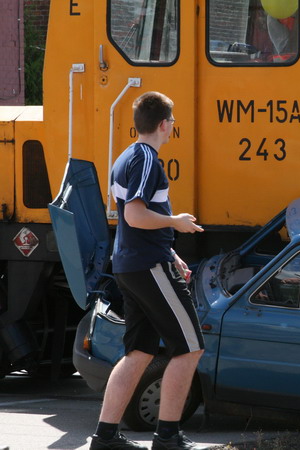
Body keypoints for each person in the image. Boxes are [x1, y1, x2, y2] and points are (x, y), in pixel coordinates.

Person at [90, 92, 205, 450]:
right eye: (172, 123)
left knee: (138, 352)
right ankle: (167, 436)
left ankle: (105, 437)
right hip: (146, 266)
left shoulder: (126, 156)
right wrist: (177, 222)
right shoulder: (147, 161)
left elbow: (133, 221)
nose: (172, 128)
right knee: (189, 348)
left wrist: (169, 250)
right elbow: (134, 216)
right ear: (164, 124)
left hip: (132, 264)